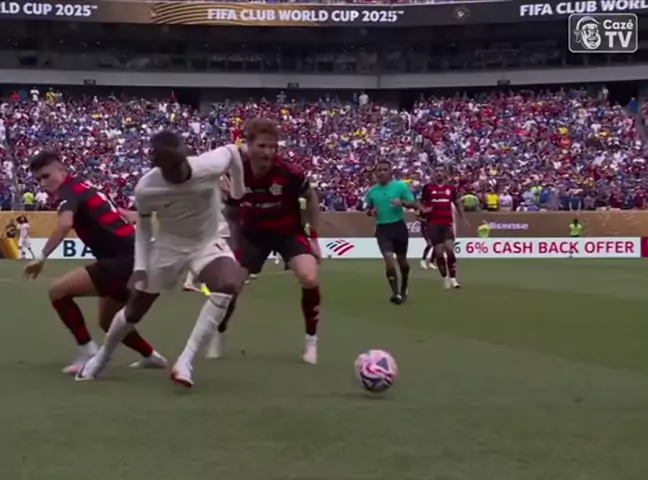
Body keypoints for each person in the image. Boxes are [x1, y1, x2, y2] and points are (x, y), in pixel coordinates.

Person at [75, 132, 247, 388]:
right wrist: (140, 268)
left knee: (229, 284)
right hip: (168, 246)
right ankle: (103, 355)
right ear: (157, 166)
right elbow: (144, 229)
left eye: (178, 164)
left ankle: (185, 361)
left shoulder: (207, 165)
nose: (176, 173)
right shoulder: (147, 188)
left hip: (207, 241)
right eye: (168, 168)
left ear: (186, 156)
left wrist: (238, 192)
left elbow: (233, 151)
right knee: (135, 309)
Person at [23, 151, 166, 374]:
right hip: (135, 258)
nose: (42, 184)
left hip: (121, 260)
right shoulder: (85, 186)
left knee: (58, 292)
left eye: (45, 176)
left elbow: (64, 224)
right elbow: (118, 212)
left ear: (61, 170)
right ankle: (152, 357)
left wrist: (41, 257)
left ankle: (88, 353)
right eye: (38, 179)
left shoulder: (69, 191)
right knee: (108, 321)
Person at [219, 118, 322, 364]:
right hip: (252, 234)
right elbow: (231, 213)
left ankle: (311, 342)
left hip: (288, 232)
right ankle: (219, 332)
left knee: (309, 277)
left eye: (273, 146)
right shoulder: (235, 172)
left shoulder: (290, 172)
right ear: (248, 145)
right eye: (262, 146)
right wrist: (232, 238)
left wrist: (314, 238)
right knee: (229, 285)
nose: (268, 152)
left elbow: (311, 197)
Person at [364, 160, 417, 304]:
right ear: (375, 173)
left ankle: (404, 285)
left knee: (402, 261)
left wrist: (402, 203)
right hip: (382, 228)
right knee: (388, 259)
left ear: (390, 172)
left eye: (385, 170)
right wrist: (371, 212)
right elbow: (367, 209)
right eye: (379, 170)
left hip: (398, 226)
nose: (381, 173)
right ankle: (396, 293)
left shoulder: (400, 186)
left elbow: (413, 203)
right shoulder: (371, 192)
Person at [420, 166, 466, 289]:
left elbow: (457, 203)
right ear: (433, 174)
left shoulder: (451, 189)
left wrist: (463, 217)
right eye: (437, 171)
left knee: (450, 250)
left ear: (445, 173)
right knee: (439, 253)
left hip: (447, 224)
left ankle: (453, 279)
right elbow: (421, 204)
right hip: (433, 224)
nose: (439, 173)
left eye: (441, 171)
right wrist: (424, 210)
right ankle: (445, 277)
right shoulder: (428, 188)